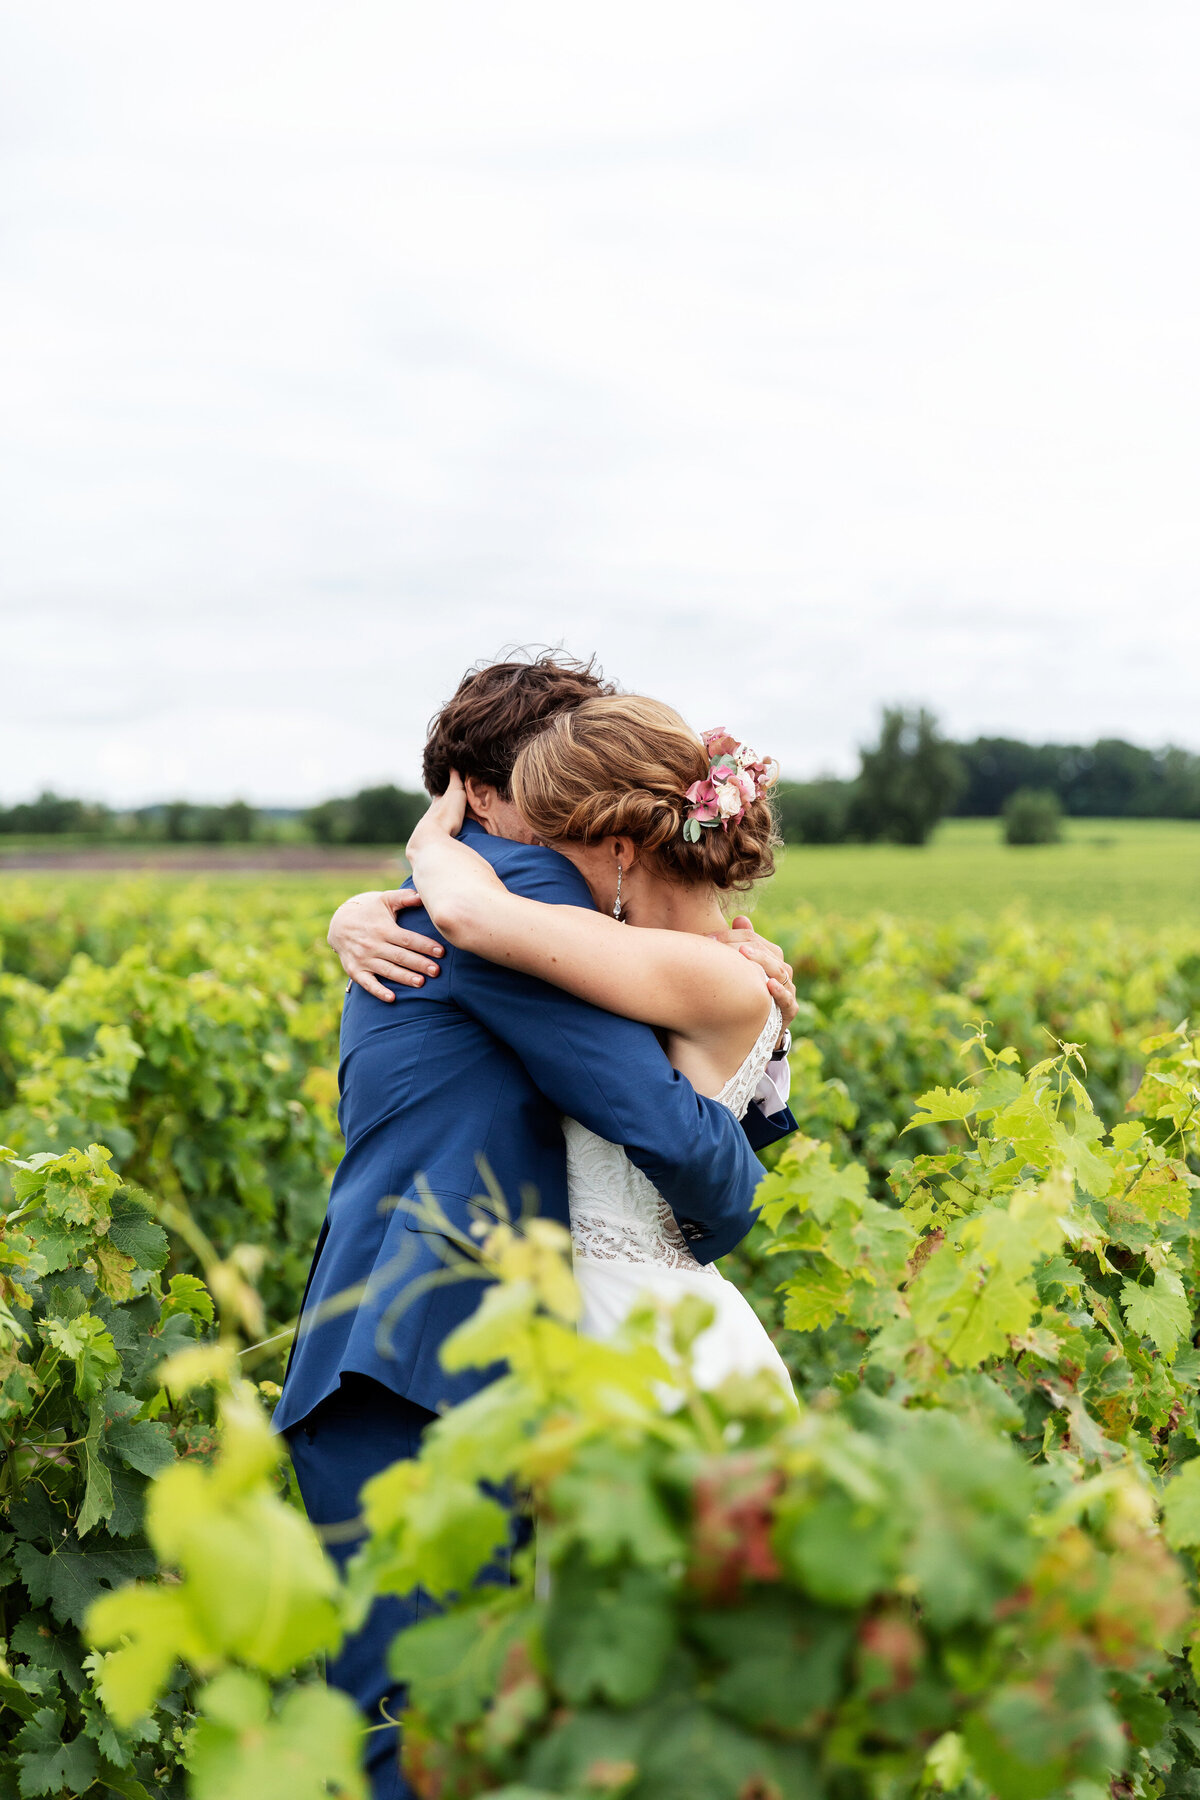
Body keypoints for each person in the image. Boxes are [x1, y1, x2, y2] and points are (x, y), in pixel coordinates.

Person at [274, 653, 798, 1800]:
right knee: (430, 1733)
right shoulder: (498, 904)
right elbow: (674, 1132)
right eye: (546, 795)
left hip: (481, 1354)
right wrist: (731, 1194)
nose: (557, 830)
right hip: (418, 1362)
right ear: (482, 797)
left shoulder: (500, 907)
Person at [405, 694, 797, 1396]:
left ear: (619, 851)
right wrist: (356, 915)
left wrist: (430, 843)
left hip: (636, 1331)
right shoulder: (712, 961)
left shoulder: (709, 971)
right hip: (608, 1317)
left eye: (556, 852)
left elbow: (470, 912)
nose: (542, 876)